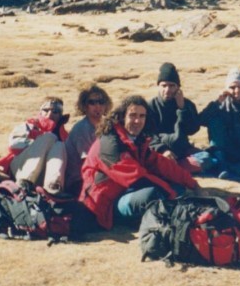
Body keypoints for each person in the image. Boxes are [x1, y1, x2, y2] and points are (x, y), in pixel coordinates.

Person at [80, 95, 200, 230]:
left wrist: (193, 184)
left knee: (177, 185)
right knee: (153, 194)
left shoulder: (136, 140)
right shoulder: (109, 144)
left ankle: (162, 209)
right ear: (122, 117)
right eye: (132, 115)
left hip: (126, 191)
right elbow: (136, 178)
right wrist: (170, 193)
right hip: (104, 206)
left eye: (142, 116)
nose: (137, 120)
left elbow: (160, 163)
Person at [0, 97, 71, 194]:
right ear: (40, 112)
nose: (50, 114)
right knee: (50, 138)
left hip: (44, 175)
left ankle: (53, 186)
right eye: (46, 110)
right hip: (21, 168)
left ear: (60, 115)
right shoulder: (29, 126)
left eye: (55, 111)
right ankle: (24, 183)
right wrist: (39, 142)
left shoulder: (65, 136)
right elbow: (14, 145)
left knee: (59, 145)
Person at [146, 62, 212, 173]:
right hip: (159, 151)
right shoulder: (150, 106)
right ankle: (174, 168)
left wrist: (182, 110)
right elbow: (148, 135)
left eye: (172, 86)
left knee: (206, 158)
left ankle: (173, 168)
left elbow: (193, 129)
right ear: (158, 86)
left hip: (182, 150)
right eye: (164, 86)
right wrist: (163, 150)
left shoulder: (187, 104)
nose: (167, 90)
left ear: (178, 87)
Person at [64, 84, 112, 193]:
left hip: (98, 174)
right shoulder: (81, 128)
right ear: (85, 106)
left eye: (101, 102)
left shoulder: (106, 126)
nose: (97, 106)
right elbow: (88, 162)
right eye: (92, 102)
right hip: (78, 181)